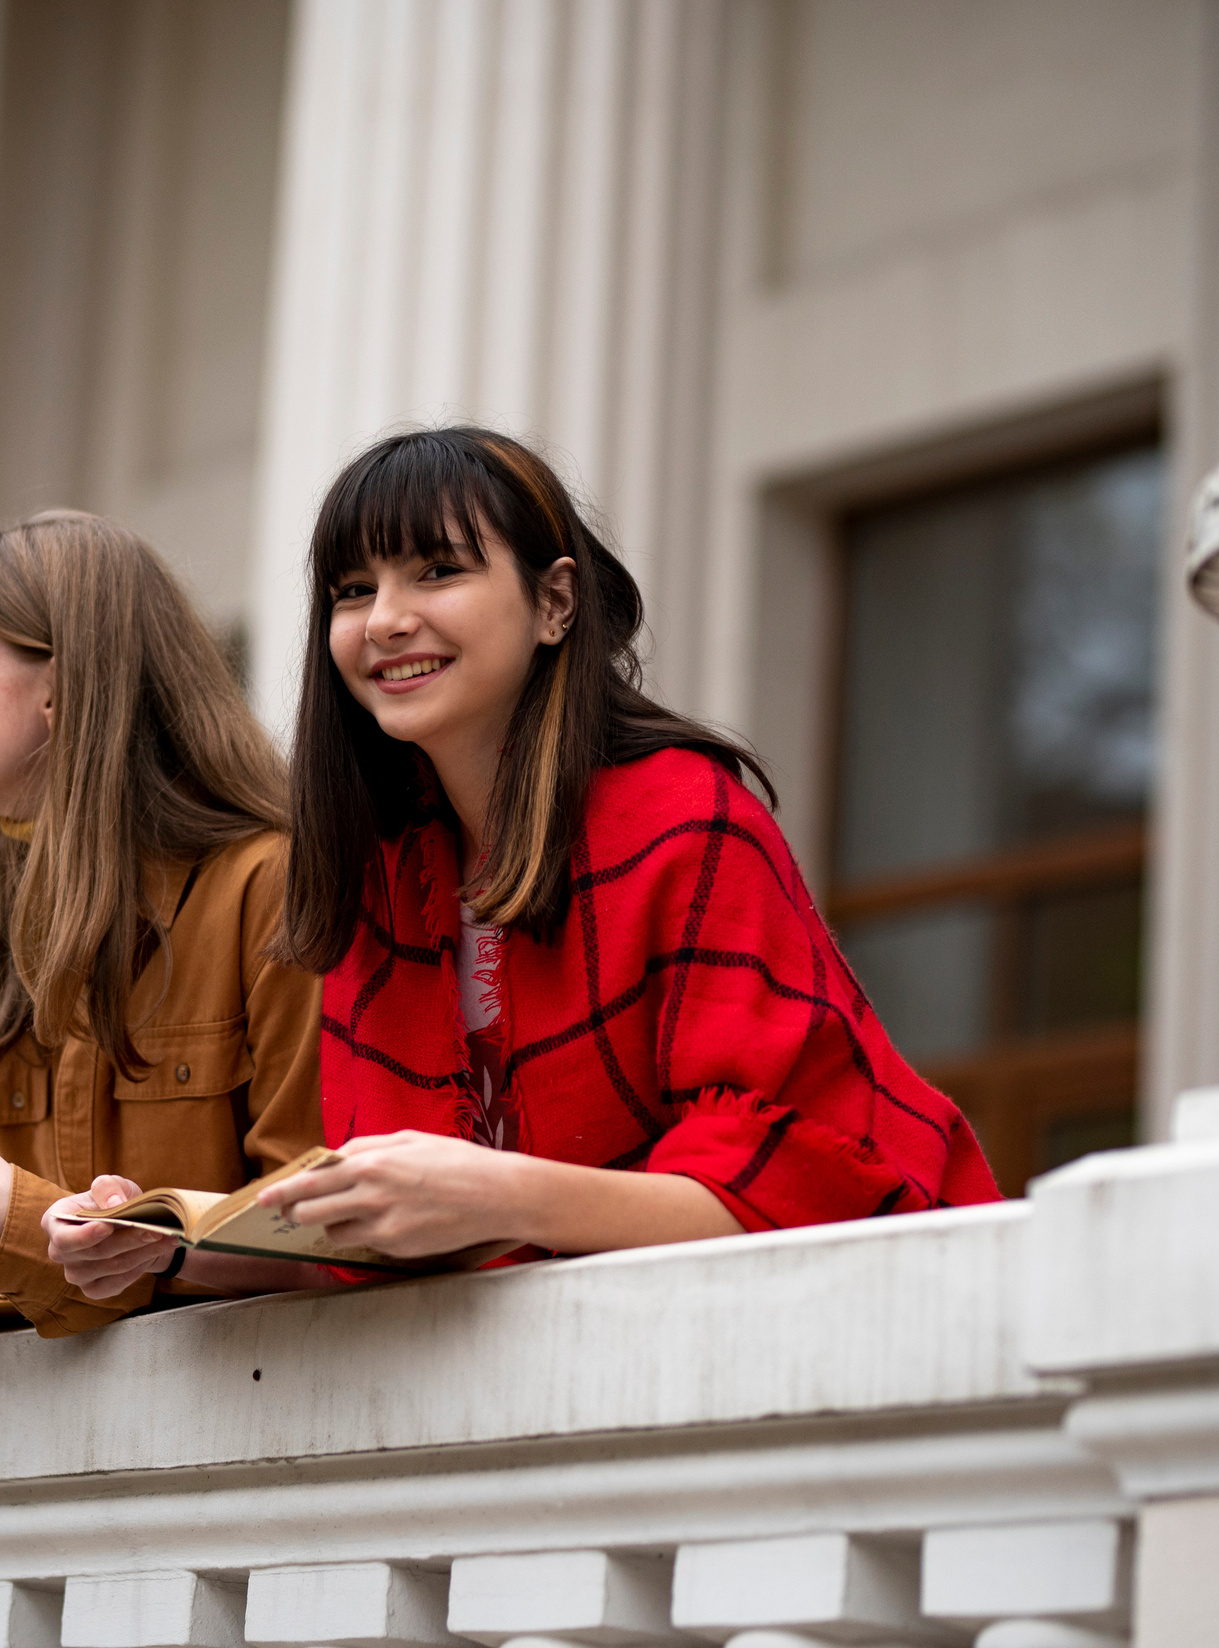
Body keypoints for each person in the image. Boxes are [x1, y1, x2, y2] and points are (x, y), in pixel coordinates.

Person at [54, 426, 998, 1293]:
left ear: (555, 602)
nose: (385, 620)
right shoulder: (375, 876)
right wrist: (170, 1245)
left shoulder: (687, 817)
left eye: (437, 571)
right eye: (353, 590)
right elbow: (381, 1252)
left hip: (904, 1310)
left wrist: (499, 1193)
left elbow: (800, 1184)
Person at [0, 512, 321, 1339]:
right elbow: (80, 1294)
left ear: (57, 690)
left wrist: (13, 1233)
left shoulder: (273, 888)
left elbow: (328, 1235)